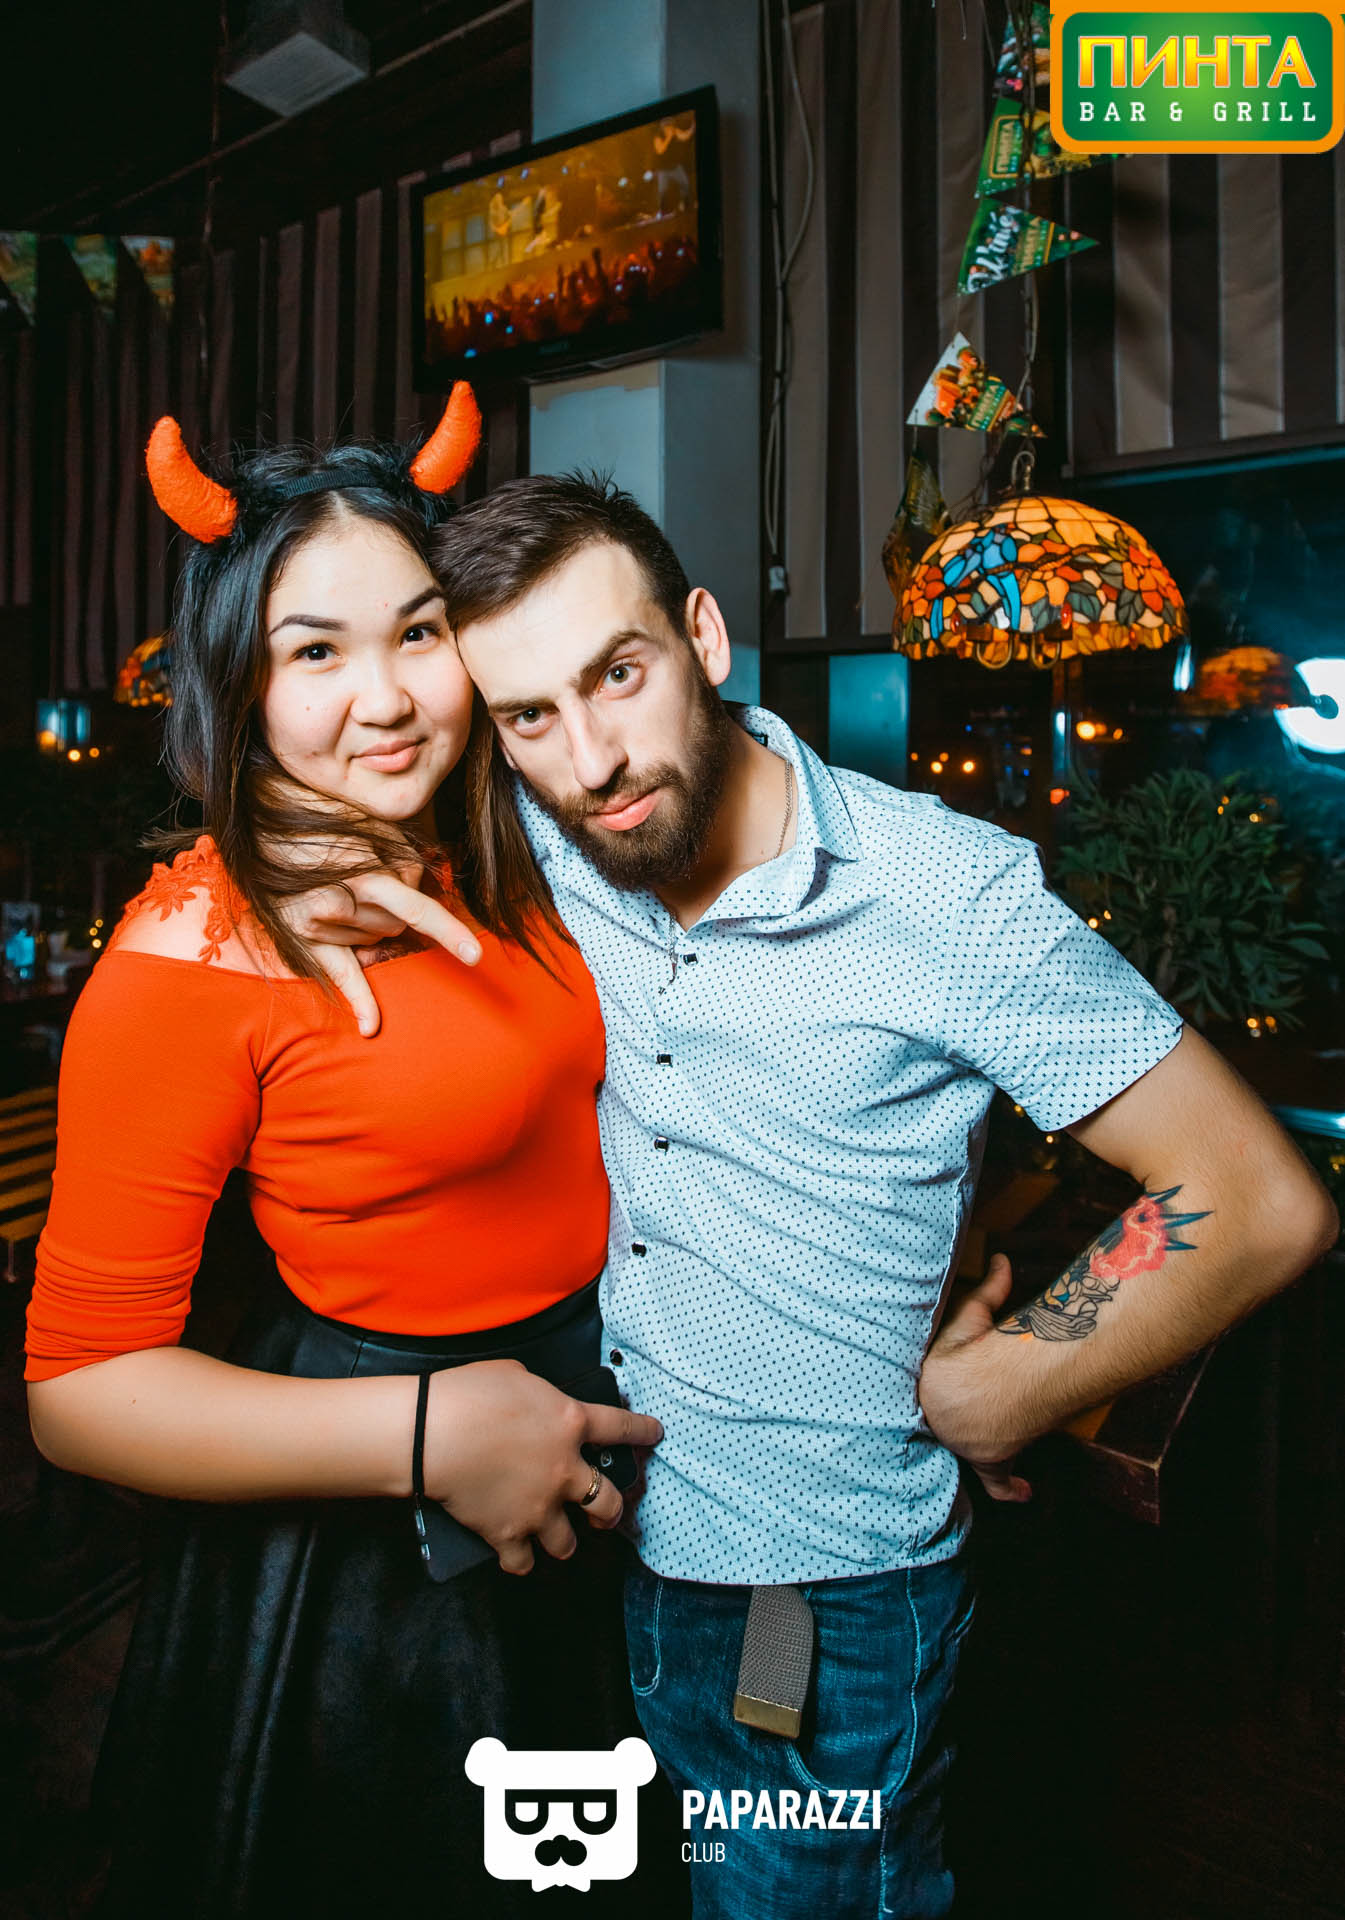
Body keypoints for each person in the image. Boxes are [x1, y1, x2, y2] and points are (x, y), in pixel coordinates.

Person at [292, 473, 1338, 1920]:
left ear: (704, 637)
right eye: (528, 715)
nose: (592, 758)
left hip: (816, 1596)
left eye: (618, 673)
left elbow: (1256, 1194)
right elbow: (319, 783)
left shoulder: (945, 897)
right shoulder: (542, 843)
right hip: (610, 1538)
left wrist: (1007, 1384)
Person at [24, 405, 681, 1919]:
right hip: (383, 1547)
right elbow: (78, 1391)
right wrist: (430, 1435)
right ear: (240, 680)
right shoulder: (190, 957)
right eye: (314, 650)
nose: (383, 699)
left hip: (607, 1447)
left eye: (419, 632)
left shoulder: (521, 845)